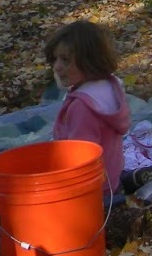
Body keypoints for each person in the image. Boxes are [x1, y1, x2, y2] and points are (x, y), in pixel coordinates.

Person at [45, 20, 132, 196]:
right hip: (111, 179)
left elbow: (80, 160)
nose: (57, 67)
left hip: (91, 192)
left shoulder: (83, 107)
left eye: (66, 60)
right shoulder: (110, 86)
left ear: (89, 61)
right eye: (55, 59)